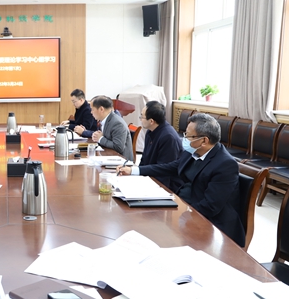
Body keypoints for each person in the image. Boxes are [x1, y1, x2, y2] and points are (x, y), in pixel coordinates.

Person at [117, 113, 244, 246]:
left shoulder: (225, 164)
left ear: (204, 141)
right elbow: (171, 167)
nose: (184, 139)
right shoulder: (193, 151)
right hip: (185, 208)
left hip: (211, 226)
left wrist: (178, 211)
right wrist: (134, 170)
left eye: (188, 136)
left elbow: (210, 206)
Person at [138, 101, 183, 191]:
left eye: (142, 117)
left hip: (167, 186)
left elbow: (165, 170)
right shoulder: (150, 131)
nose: (140, 119)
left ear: (151, 121)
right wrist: (136, 173)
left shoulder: (168, 137)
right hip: (150, 178)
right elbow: (144, 159)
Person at [91, 95, 134, 161]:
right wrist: (98, 136)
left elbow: (118, 147)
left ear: (101, 109)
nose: (91, 112)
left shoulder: (117, 123)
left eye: (92, 109)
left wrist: (100, 138)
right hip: (110, 157)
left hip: (122, 161)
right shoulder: (106, 119)